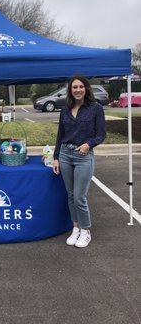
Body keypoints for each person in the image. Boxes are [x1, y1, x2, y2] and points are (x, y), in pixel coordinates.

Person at [52, 75, 106, 248]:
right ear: (70, 90)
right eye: (74, 87)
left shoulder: (95, 108)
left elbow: (101, 134)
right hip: (65, 155)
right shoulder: (65, 109)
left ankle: (86, 230)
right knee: (70, 195)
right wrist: (55, 157)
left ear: (86, 88)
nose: (77, 90)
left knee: (79, 196)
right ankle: (75, 228)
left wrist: (89, 144)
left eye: (80, 86)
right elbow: (60, 135)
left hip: (83, 156)